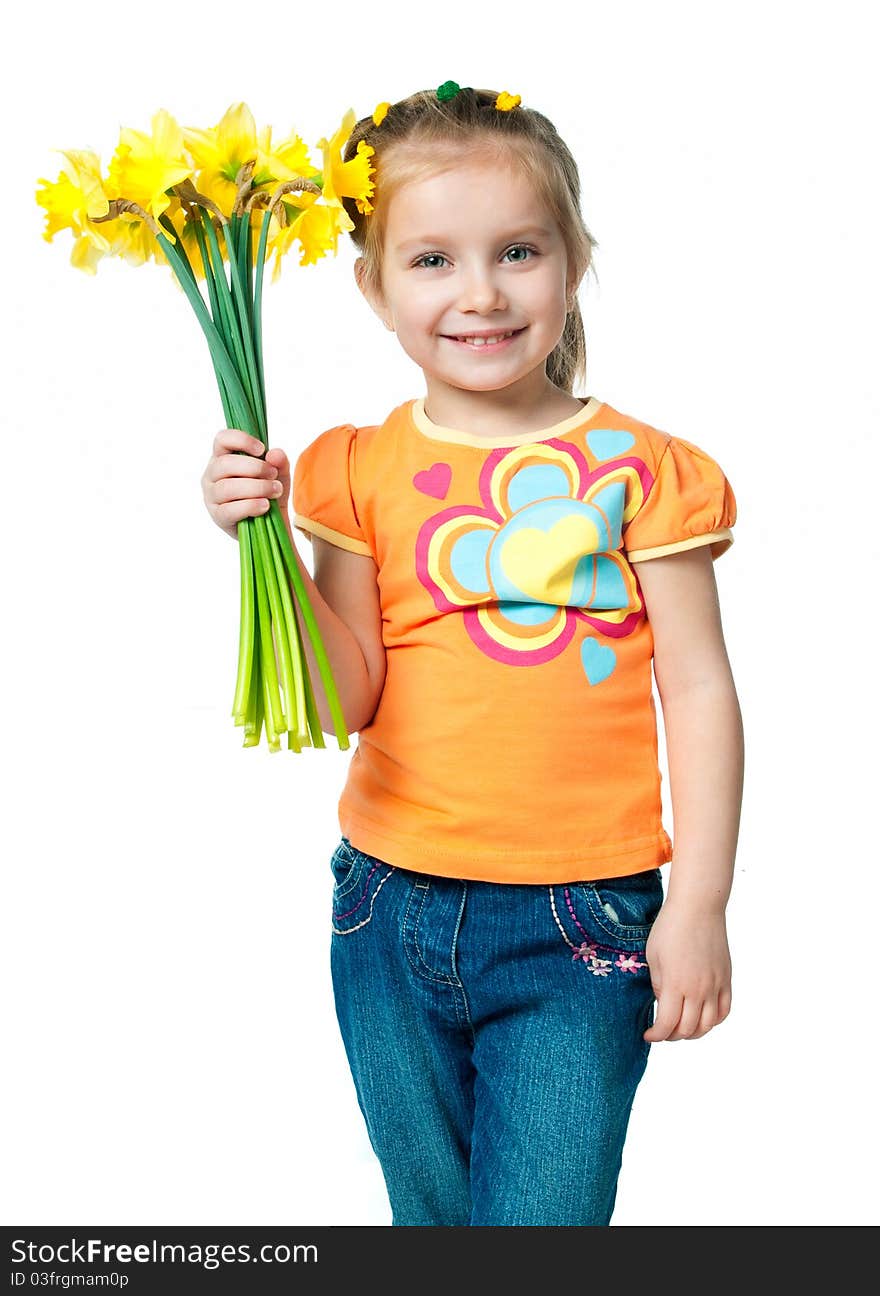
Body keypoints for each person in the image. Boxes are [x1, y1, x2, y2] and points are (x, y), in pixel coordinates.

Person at [201, 82, 744, 1227]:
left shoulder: (644, 470)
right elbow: (350, 695)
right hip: (387, 912)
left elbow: (698, 691)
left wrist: (695, 907)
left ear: (573, 258)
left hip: (579, 927)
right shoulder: (357, 470)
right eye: (432, 261)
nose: (482, 293)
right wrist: (265, 543)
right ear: (375, 284)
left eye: (517, 251)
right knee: (433, 1234)